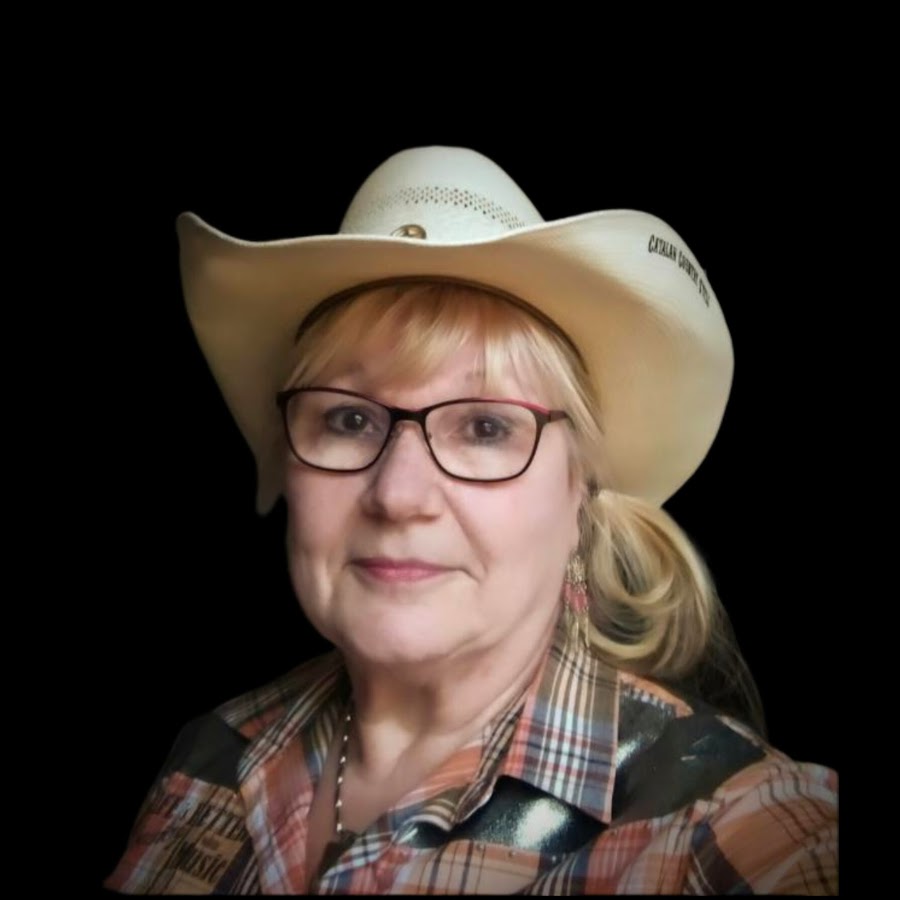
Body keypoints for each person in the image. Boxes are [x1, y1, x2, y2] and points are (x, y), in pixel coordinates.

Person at [105, 146, 838, 894]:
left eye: (486, 428)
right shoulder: (208, 760)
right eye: (349, 419)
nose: (398, 495)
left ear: (580, 492)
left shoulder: (737, 829)